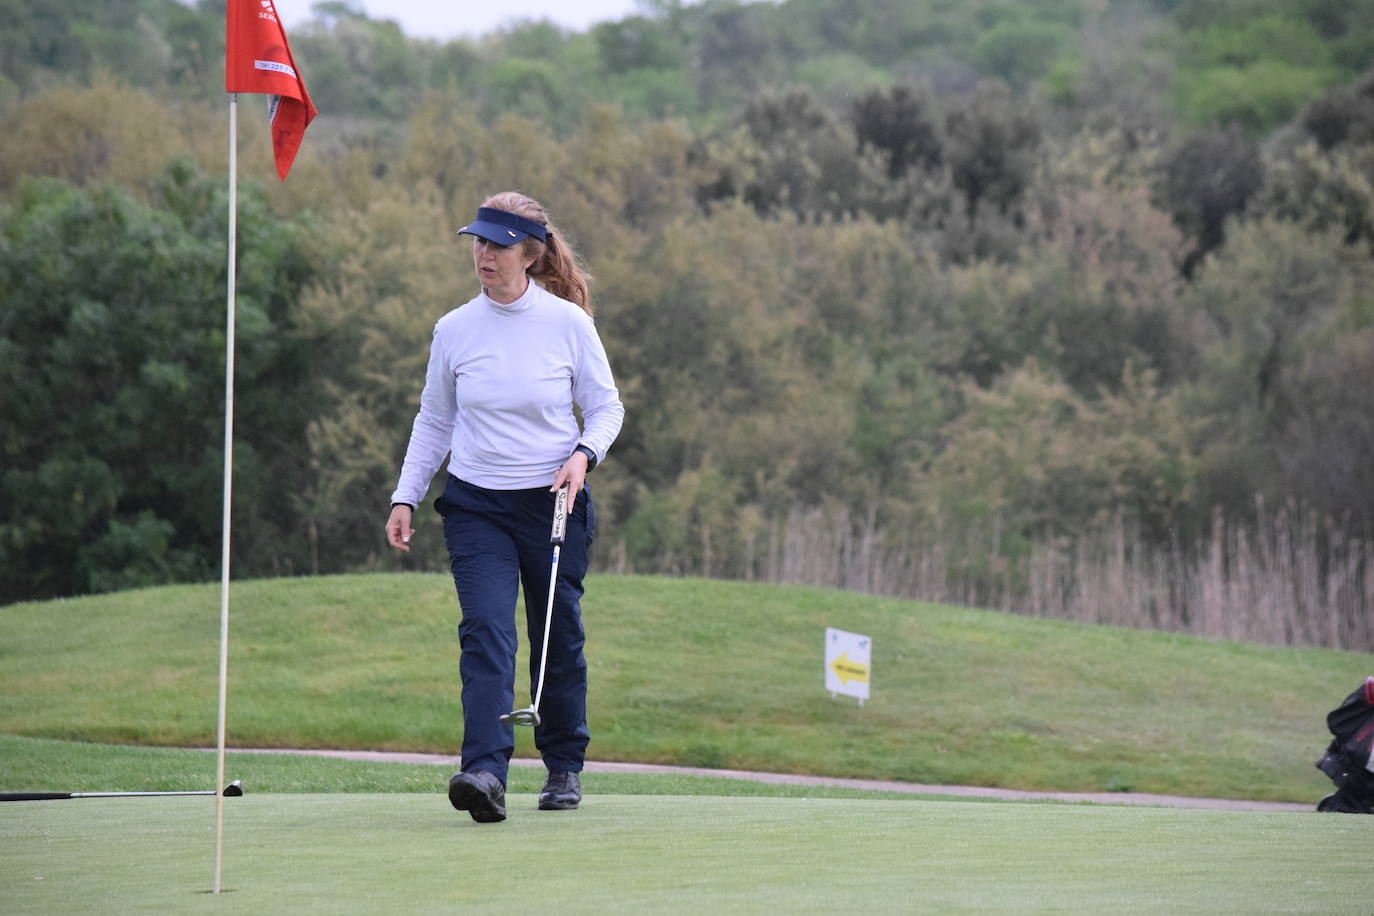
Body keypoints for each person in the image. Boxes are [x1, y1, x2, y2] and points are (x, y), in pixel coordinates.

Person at [385, 191, 624, 823]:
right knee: (486, 632)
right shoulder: (454, 329)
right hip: (476, 507)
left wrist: (583, 455)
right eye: (478, 242)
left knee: (556, 635)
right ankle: (485, 772)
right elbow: (434, 420)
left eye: (496, 244)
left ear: (529, 252)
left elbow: (606, 409)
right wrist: (405, 495)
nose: (483, 255)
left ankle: (564, 765)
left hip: (553, 504)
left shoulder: (568, 324)